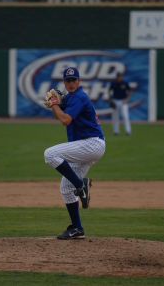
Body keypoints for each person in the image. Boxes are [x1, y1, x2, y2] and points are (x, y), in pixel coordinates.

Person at [44, 67, 105, 240]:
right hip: (87, 146)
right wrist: (57, 103)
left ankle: (81, 185)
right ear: (64, 82)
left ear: (79, 81)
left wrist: (55, 103)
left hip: (91, 143)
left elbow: (65, 120)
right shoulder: (70, 97)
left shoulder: (79, 97)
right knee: (65, 187)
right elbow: (60, 115)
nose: (71, 83)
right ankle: (77, 229)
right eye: (68, 81)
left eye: (73, 80)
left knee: (49, 154)